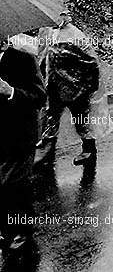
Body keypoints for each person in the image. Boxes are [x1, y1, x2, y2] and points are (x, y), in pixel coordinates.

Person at [34, 11, 101, 168]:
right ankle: (47, 152)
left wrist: (90, 86)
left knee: (81, 120)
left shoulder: (75, 35)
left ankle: (89, 150)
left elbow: (91, 61)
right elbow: (41, 55)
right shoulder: (47, 31)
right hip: (54, 86)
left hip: (76, 88)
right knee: (50, 117)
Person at [0, 38, 46, 267]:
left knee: (13, 184)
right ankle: (6, 227)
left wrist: (11, 92)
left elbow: (40, 96)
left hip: (21, 136)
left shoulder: (24, 58)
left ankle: (22, 230)